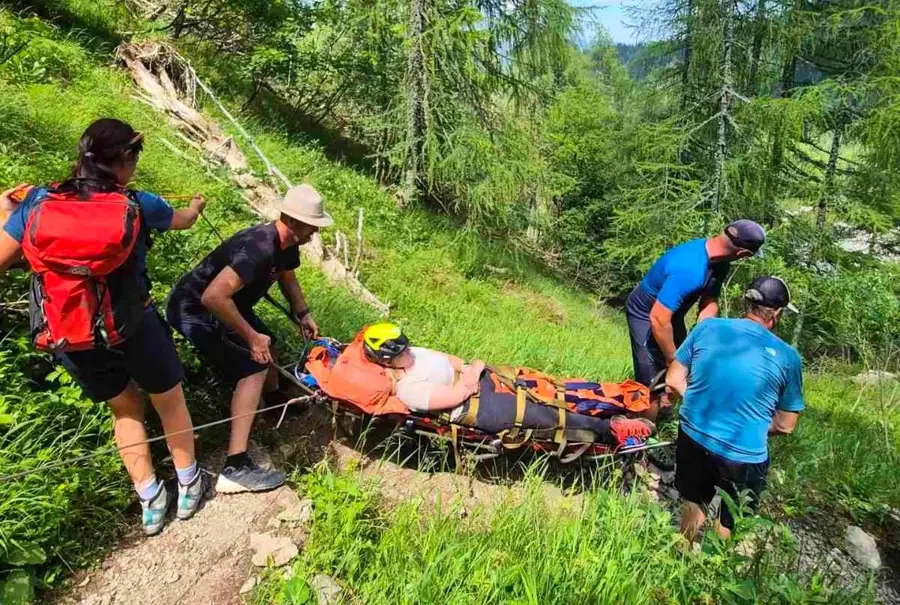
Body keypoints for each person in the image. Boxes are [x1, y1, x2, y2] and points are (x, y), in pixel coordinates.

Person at [0, 118, 207, 536]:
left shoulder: (37, 203)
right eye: (134, 158)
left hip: (71, 334)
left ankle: (150, 499)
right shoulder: (139, 203)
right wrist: (196, 208)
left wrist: (8, 213)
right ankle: (188, 485)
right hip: (135, 324)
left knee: (123, 407)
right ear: (125, 159)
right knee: (168, 400)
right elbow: (183, 220)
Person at [166, 184, 330, 494]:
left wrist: (302, 313)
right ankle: (235, 465)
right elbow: (213, 296)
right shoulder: (259, 249)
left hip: (229, 304)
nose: (314, 233)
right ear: (293, 221)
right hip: (195, 309)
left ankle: (272, 404)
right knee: (252, 368)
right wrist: (252, 337)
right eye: (312, 226)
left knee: (270, 344)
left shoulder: (286, 243)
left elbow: (287, 275)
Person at [665, 276, 803, 541]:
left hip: (693, 437)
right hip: (743, 455)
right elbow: (786, 425)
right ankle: (712, 572)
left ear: (746, 302)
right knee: (729, 516)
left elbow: (673, 380)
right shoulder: (788, 357)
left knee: (694, 500)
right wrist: (750, 427)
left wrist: (698, 404)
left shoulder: (708, 328)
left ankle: (681, 553)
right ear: (776, 313)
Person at [361, 323, 657, 447]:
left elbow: (449, 359)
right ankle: (612, 431)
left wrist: (467, 368)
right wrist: (470, 373)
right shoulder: (408, 388)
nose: (408, 353)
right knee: (545, 416)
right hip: (475, 406)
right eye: (400, 353)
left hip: (476, 380)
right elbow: (455, 396)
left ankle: (610, 403)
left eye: (406, 348)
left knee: (544, 386)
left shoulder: (413, 355)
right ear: (386, 361)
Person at [626, 220, 766, 395]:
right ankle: (643, 413)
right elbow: (658, 319)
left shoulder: (721, 263)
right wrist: (671, 359)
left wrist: (704, 334)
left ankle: (666, 409)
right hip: (646, 311)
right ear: (743, 253)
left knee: (685, 363)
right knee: (651, 375)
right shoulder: (690, 269)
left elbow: (710, 300)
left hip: (672, 313)